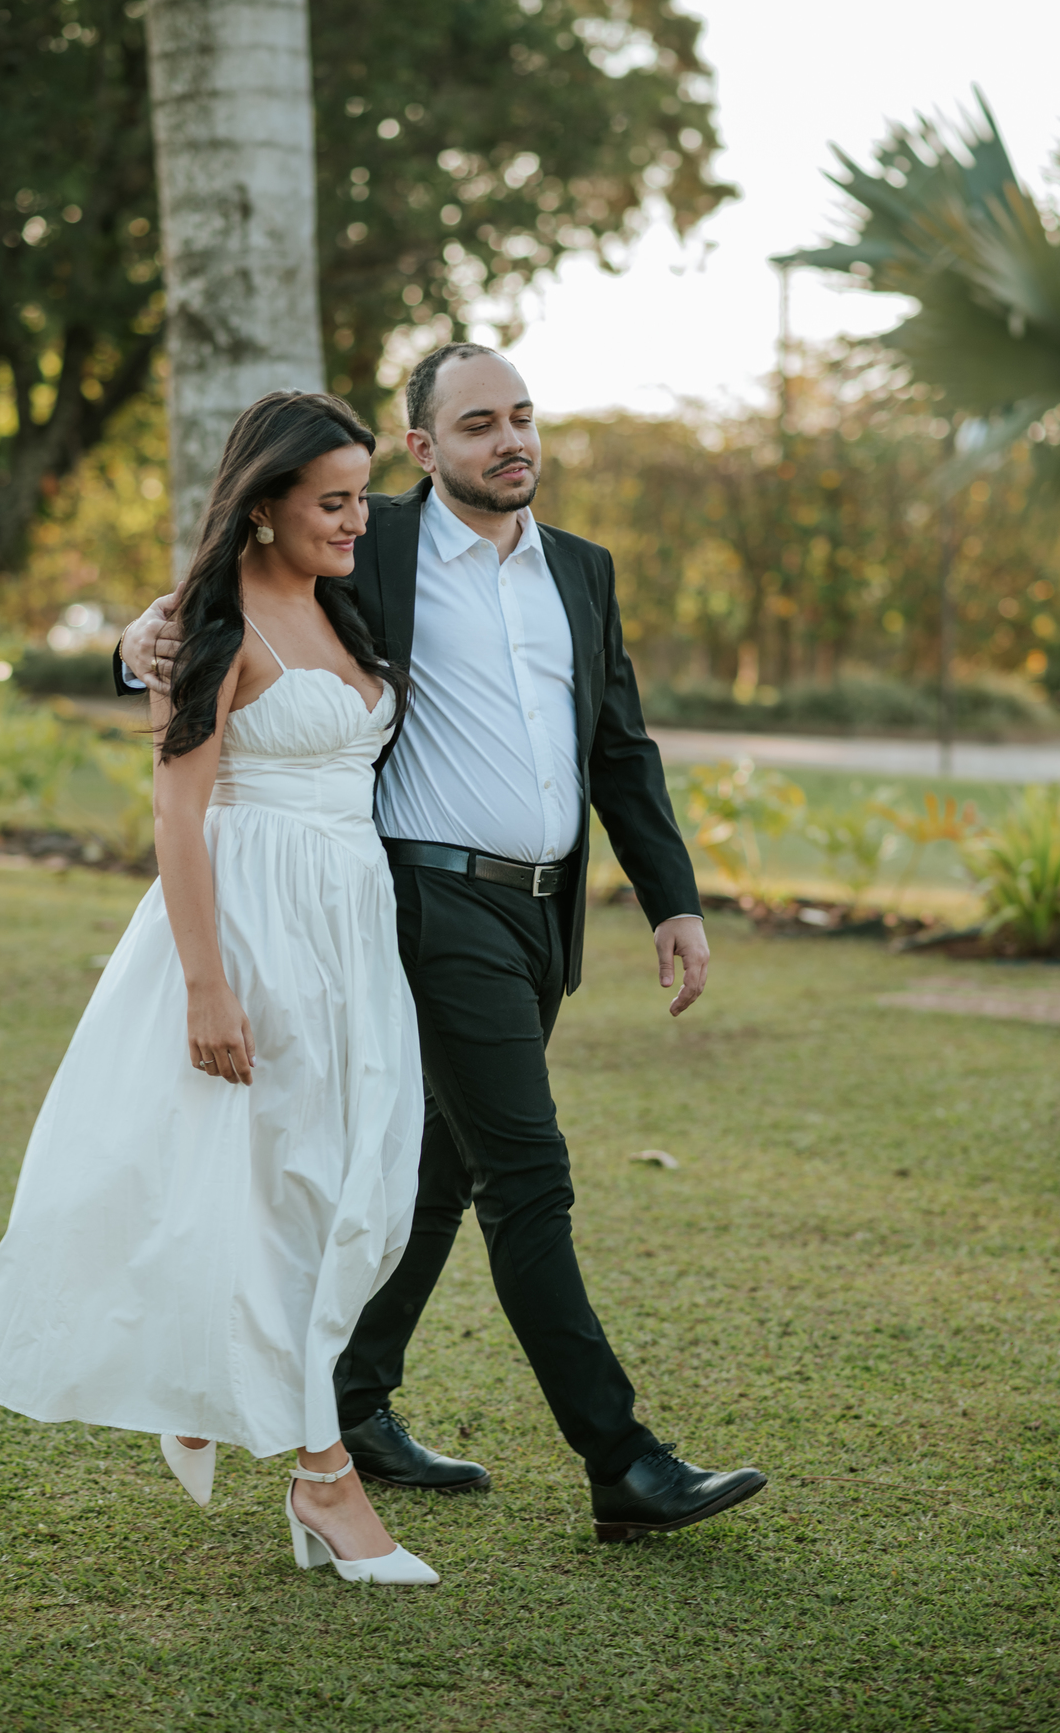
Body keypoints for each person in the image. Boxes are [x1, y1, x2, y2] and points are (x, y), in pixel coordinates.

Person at [120, 345, 767, 1543]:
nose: (510, 440)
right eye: (478, 423)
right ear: (424, 447)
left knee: (438, 1168)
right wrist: (136, 642)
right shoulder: (376, 544)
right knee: (528, 1171)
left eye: (521, 416)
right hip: (430, 901)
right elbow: (224, 604)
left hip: (544, 911)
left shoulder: (583, 567)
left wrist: (671, 898)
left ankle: (353, 1403)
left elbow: (619, 743)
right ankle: (623, 1461)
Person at [0, 391, 440, 1586]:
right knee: (288, 1191)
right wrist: (206, 986)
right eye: (333, 501)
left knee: (356, 1189)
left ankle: (211, 1388)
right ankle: (326, 1481)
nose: (357, 519)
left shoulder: (346, 597)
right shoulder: (209, 630)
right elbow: (176, 813)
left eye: (361, 496)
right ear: (265, 504)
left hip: (351, 932)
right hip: (252, 923)